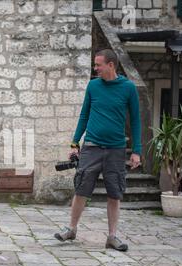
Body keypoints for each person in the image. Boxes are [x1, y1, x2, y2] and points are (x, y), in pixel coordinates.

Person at [54, 49, 142, 252]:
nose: (95, 69)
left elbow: (136, 121)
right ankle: (72, 229)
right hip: (91, 147)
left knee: (115, 193)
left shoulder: (128, 88)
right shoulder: (93, 86)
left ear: (111, 65)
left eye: (98, 65)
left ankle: (112, 236)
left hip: (116, 149)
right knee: (81, 189)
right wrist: (75, 144)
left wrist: (136, 150)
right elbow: (84, 116)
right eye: (95, 65)